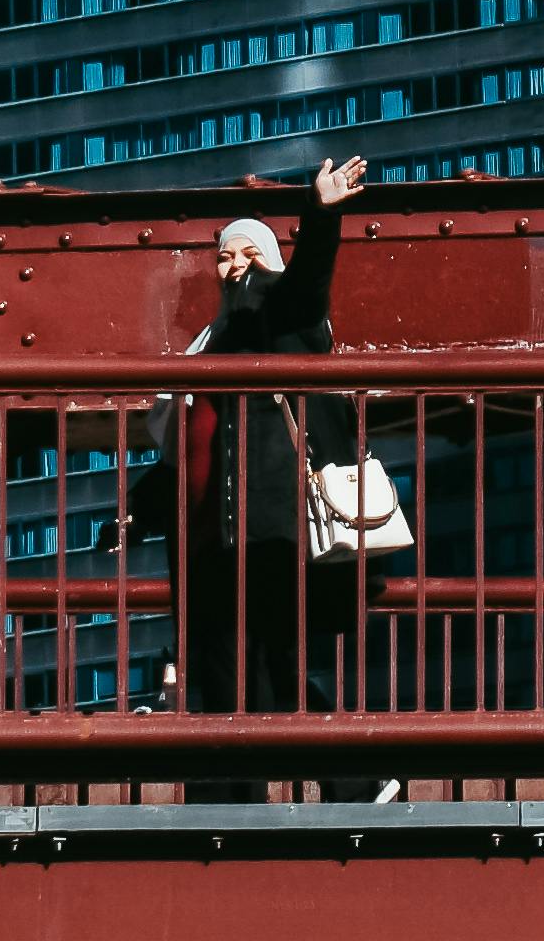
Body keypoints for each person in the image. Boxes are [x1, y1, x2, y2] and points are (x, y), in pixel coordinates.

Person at [178, 150, 374, 793]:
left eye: (245, 254)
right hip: (224, 542)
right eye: (224, 259)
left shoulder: (280, 317)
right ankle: (302, 787)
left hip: (272, 530)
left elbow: (308, 281)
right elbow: (199, 446)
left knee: (273, 670)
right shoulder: (217, 344)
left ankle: (339, 781)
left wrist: (317, 214)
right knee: (243, 674)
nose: (232, 268)